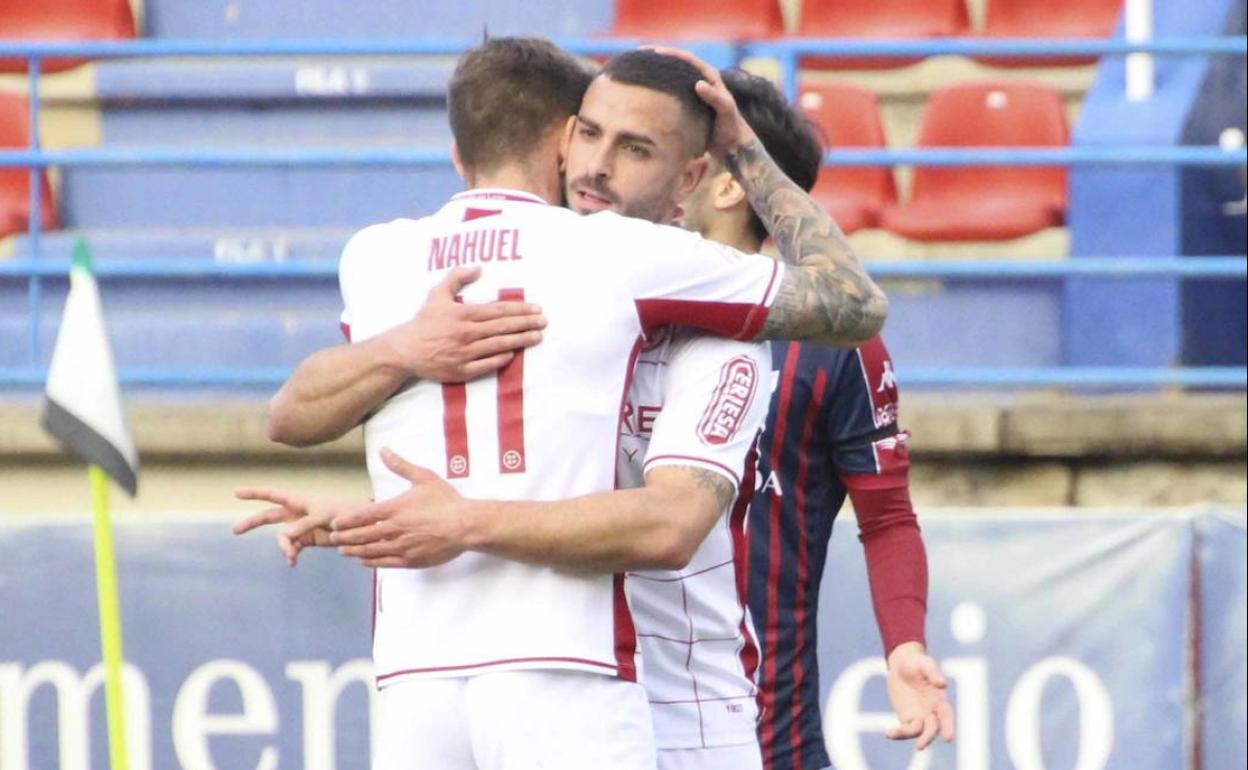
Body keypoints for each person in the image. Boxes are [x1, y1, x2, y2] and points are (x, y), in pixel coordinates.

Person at [235, 37, 889, 770]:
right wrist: (400, 399)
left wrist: (457, 520)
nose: (599, 165)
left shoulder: (711, 324)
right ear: (559, 143)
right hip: (548, 674)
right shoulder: (562, 276)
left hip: (683, 712)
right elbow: (306, 418)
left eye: (635, 147)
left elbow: (670, 521)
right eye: (590, 134)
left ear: (695, 174)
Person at [673, 69, 957, 770]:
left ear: (730, 183)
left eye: (672, 154)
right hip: (614, 730)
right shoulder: (616, 313)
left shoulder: (833, 344)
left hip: (767, 743)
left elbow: (887, 518)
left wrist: (905, 644)